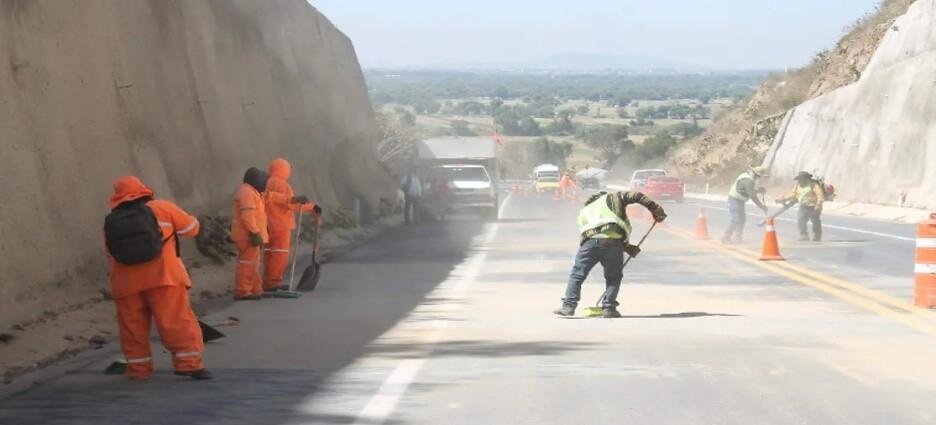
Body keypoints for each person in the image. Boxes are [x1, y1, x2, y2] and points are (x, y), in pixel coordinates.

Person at [104, 176, 210, 380]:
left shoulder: (112, 220)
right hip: (164, 277)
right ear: (144, 191)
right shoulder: (162, 207)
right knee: (175, 321)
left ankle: (139, 370)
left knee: (133, 329)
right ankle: (188, 364)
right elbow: (191, 229)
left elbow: (110, 254)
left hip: (126, 283)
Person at [553, 191, 667, 318]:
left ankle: (568, 306)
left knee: (577, 275)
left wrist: (625, 246)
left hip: (589, 244)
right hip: (613, 243)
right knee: (613, 277)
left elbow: (592, 232)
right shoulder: (613, 197)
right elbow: (636, 196)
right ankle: (609, 308)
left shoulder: (585, 210)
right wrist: (654, 208)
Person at [263, 158, 320, 292]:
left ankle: (266, 281)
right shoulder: (283, 185)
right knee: (279, 255)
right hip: (281, 225)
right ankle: (273, 283)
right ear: (284, 170)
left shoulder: (265, 183)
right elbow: (293, 204)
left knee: (269, 254)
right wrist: (312, 207)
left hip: (266, 224)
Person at [232, 167, 269, 300]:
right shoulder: (247, 192)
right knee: (247, 264)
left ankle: (255, 289)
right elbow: (247, 216)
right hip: (247, 235)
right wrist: (254, 233)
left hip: (249, 234)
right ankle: (242, 291)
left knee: (252, 263)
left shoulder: (252, 192)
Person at [722, 166, 769, 244]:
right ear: (755, 174)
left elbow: (748, 190)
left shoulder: (749, 177)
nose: (759, 178)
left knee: (742, 219)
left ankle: (737, 237)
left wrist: (758, 190)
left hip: (740, 200)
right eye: (758, 176)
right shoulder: (747, 180)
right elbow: (752, 195)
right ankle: (726, 237)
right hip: (734, 199)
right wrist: (761, 206)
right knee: (736, 219)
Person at [778, 171, 825, 242]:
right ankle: (804, 235)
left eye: (801, 179)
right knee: (801, 220)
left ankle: (817, 235)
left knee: (815, 221)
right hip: (803, 206)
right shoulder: (798, 186)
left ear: (806, 179)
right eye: (799, 179)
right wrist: (784, 198)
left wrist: (818, 205)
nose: (799, 181)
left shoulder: (813, 185)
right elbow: (793, 194)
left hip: (814, 206)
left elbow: (820, 195)